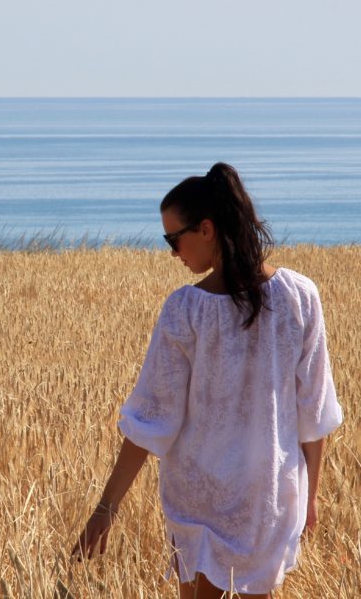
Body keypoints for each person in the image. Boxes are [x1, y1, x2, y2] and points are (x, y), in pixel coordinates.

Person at [71, 162, 343, 598]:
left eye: (173, 239)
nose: (173, 253)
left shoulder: (185, 310)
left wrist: (107, 507)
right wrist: (309, 498)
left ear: (207, 229)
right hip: (269, 498)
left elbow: (151, 420)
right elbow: (314, 411)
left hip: (198, 499)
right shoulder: (300, 297)